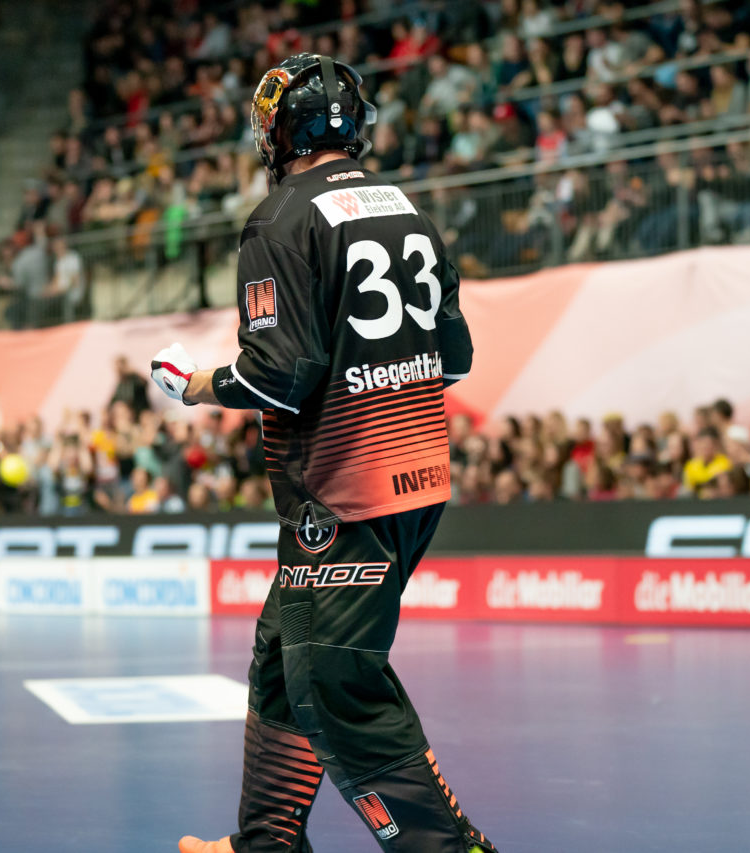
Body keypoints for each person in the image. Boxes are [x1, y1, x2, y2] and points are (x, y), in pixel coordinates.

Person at [153, 54, 496, 853]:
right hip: (418, 484)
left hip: (345, 495)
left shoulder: (280, 219)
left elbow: (283, 374)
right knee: (283, 653)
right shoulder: (411, 210)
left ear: (279, 131)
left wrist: (197, 383)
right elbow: (455, 359)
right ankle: (263, 843)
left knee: (333, 680)